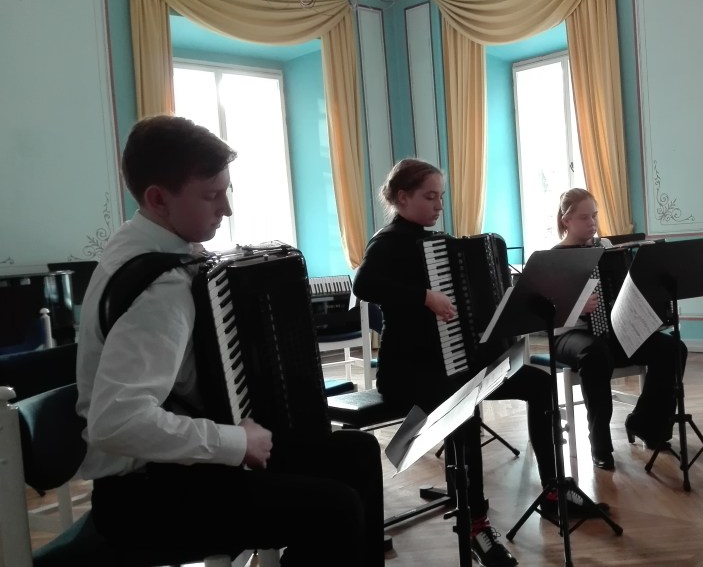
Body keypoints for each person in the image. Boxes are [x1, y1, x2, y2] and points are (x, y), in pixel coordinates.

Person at [76, 115, 384, 566]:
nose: (227, 209)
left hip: (176, 470)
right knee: (334, 508)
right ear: (158, 199)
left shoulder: (146, 245)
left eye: (227, 191)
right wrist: (234, 442)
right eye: (211, 195)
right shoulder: (159, 289)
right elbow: (115, 422)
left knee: (356, 452)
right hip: (143, 496)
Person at [353, 158, 594, 567]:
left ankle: (552, 490)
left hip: (458, 364)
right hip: (408, 370)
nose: (439, 205)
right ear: (402, 198)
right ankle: (475, 524)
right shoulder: (388, 241)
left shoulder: (440, 243)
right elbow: (364, 283)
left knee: (538, 384)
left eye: (441, 196)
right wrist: (425, 297)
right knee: (463, 407)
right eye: (430, 197)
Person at [551, 188, 683, 471]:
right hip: (568, 335)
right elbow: (545, 315)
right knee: (596, 353)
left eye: (594, 216)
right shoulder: (554, 257)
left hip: (612, 333)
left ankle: (646, 424)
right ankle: (599, 442)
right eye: (584, 217)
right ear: (566, 220)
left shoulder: (607, 247)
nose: (592, 223)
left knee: (672, 348)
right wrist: (575, 306)